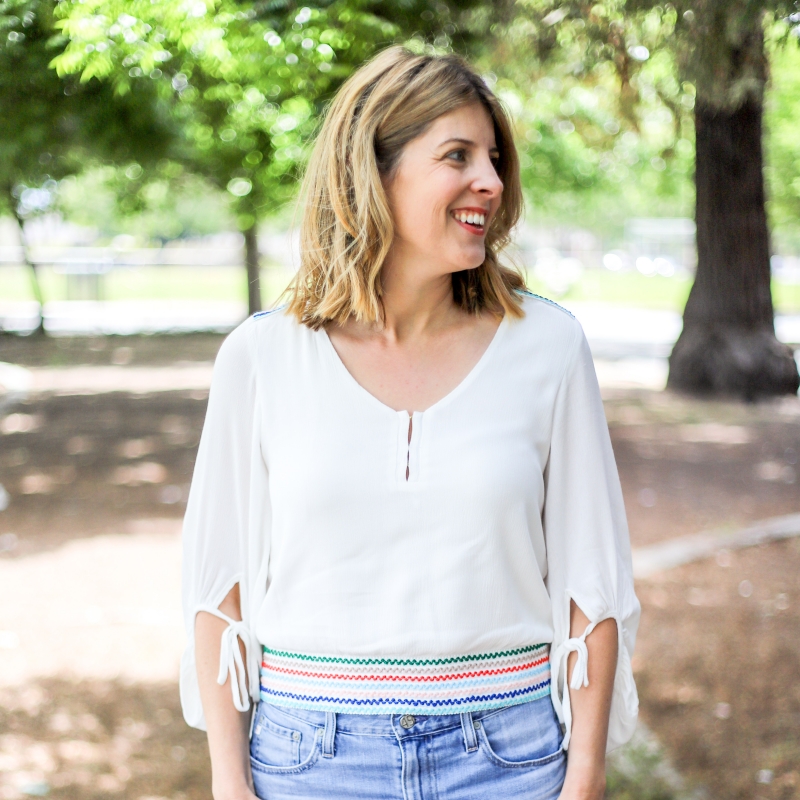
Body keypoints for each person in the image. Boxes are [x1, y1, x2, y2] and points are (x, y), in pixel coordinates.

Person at [181, 46, 640, 800]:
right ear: (373, 171)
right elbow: (218, 592)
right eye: (456, 155)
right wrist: (230, 785)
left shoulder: (550, 346)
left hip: (509, 758)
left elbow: (593, 586)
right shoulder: (260, 357)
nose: (490, 181)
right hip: (307, 762)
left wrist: (582, 779)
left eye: (493, 158)